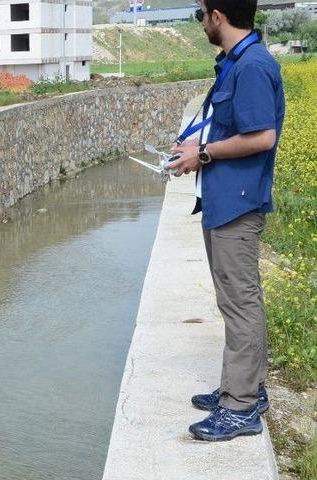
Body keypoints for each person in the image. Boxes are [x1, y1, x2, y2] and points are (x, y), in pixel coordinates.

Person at [166, 0, 285, 442]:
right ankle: (244, 388)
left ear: (218, 15)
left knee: (240, 304)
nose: (201, 24)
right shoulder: (238, 61)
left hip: (237, 204)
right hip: (224, 199)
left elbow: (262, 136)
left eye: (201, 15)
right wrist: (200, 142)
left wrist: (204, 154)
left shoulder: (251, 66)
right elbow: (236, 125)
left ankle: (240, 408)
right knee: (235, 301)